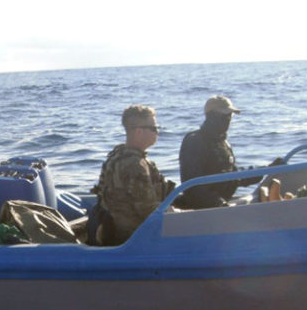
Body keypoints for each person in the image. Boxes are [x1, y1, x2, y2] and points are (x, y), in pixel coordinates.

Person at [92, 104, 175, 245]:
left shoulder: (116, 156)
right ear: (138, 132)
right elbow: (148, 210)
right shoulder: (135, 165)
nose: (157, 133)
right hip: (135, 238)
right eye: (153, 128)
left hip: (118, 231)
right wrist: (179, 215)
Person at [178, 95, 265, 209]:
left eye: (230, 116)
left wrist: (264, 171)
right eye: (224, 116)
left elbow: (234, 176)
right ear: (211, 116)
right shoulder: (195, 141)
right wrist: (218, 204)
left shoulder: (223, 143)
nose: (228, 119)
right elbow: (192, 185)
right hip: (204, 210)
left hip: (221, 204)